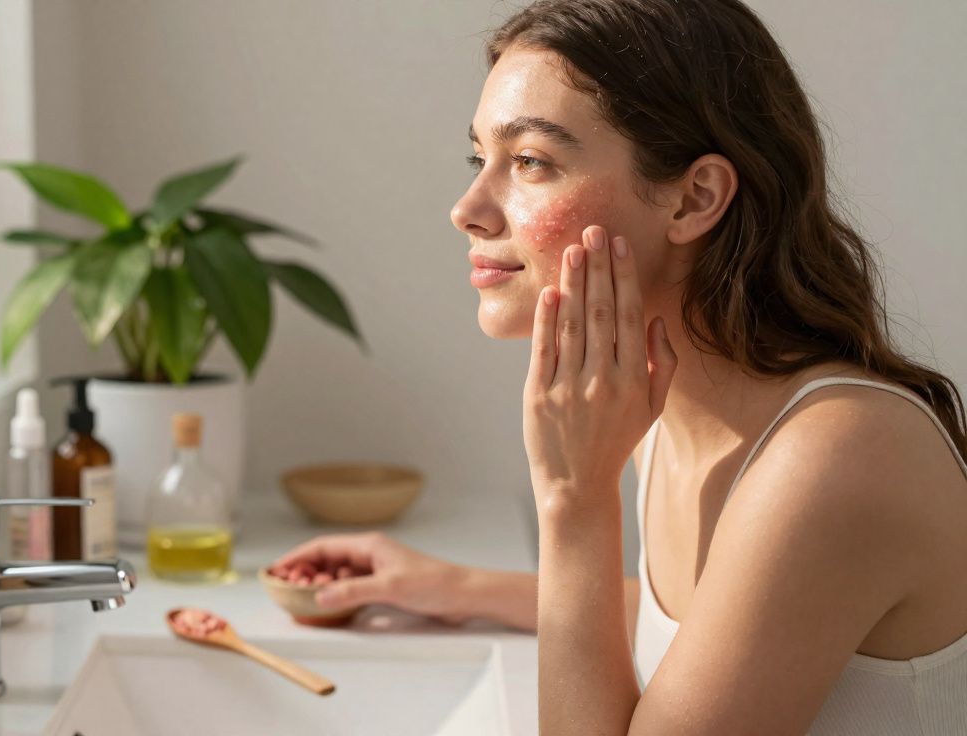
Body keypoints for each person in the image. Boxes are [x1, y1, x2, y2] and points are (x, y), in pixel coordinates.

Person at [273, 1, 967, 732]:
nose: (468, 208)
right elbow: (719, 626)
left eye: (531, 161)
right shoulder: (659, 405)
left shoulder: (836, 457)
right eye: (481, 158)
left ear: (695, 198)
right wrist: (453, 586)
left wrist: (574, 500)